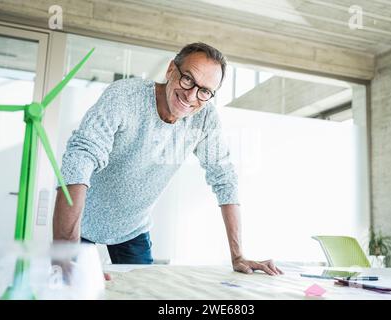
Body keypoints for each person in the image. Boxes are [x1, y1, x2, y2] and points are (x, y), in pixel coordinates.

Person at [53, 42, 282, 277]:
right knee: (74, 288)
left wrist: (238, 256)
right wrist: (65, 253)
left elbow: (225, 179)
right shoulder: (124, 96)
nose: (191, 95)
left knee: (141, 292)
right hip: (82, 219)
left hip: (132, 228)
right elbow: (81, 156)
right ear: (171, 69)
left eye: (204, 91)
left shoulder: (204, 118)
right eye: (188, 79)